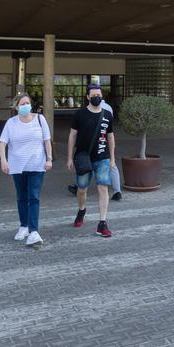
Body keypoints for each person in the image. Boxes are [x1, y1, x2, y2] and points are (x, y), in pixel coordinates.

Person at [0, 93, 52, 246]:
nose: (25, 106)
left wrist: (49, 159)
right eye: (22, 104)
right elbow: (2, 143)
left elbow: (47, 140)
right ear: (16, 107)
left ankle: (34, 231)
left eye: (27, 103)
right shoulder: (11, 123)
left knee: (33, 197)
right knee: (21, 197)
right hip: (17, 166)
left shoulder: (40, 119)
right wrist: (3, 160)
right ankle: (24, 226)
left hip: (37, 165)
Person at [67, 85, 116, 237]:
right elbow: (72, 136)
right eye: (93, 95)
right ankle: (82, 210)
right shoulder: (80, 114)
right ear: (87, 97)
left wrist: (112, 159)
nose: (97, 97)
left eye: (99, 95)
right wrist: (69, 157)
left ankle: (102, 223)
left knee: (103, 188)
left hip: (103, 157)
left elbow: (110, 137)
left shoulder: (107, 115)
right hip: (83, 157)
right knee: (82, 189)